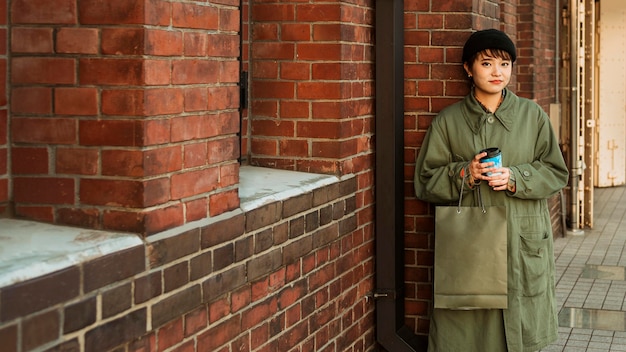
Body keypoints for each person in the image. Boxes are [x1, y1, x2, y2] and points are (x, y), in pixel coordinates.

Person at [413, 29, 569, 352]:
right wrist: (464, 174)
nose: (497, 72)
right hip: (471, 252)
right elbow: (425, 181)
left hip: (521, 248)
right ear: (469, 69)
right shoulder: (448, 122)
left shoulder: (533, 117)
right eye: (487, 63)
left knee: (520, 335)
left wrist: (516, 177)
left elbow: (556, 172)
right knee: (468, 338)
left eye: (505, 64)